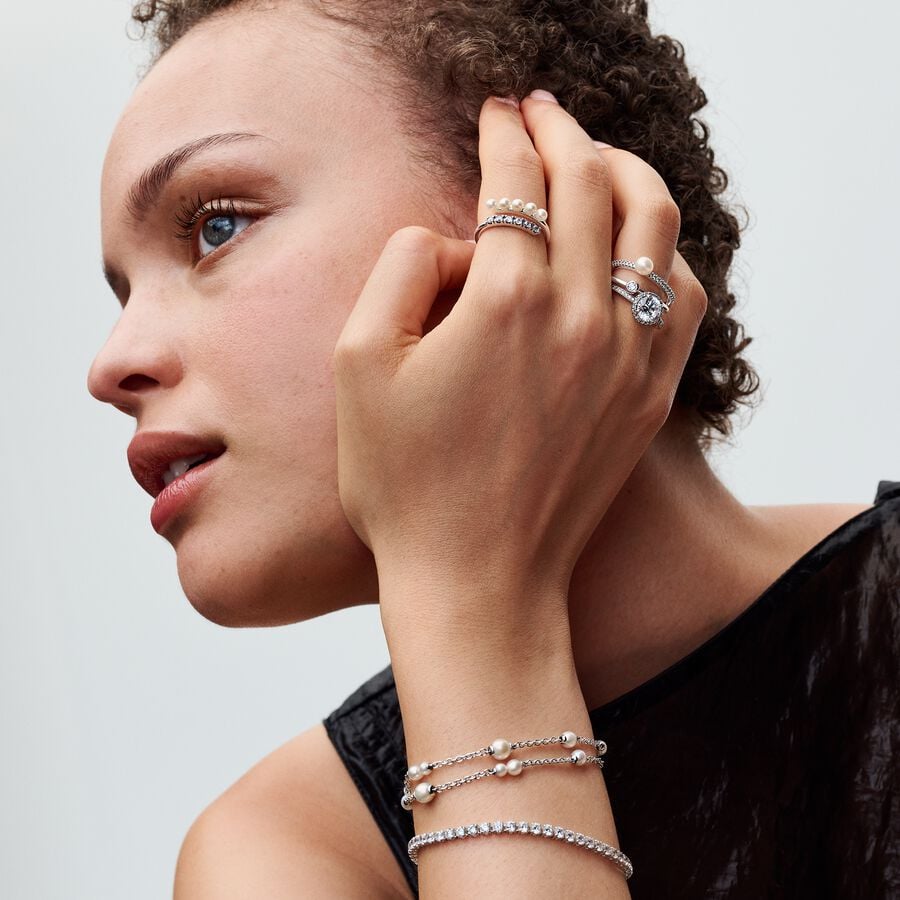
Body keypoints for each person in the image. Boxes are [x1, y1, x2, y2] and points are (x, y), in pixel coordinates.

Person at [87, 0, 899, 896]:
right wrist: (468, 587)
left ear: (545, 197)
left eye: (216, 226)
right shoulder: (282, 856)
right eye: (123, 292)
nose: (111, 364)